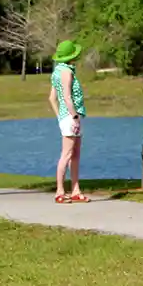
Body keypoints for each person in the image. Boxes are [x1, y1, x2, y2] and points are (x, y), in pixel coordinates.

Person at [47, 40, 90, 203]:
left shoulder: (57, 71)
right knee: (66, 154)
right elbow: (66, 97)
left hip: (67, 117)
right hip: (72, 117)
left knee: (75, 154)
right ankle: (59, 191)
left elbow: (52, 98)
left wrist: (60, 116)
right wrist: (74, 117)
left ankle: (75, 190)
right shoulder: (66, 72)